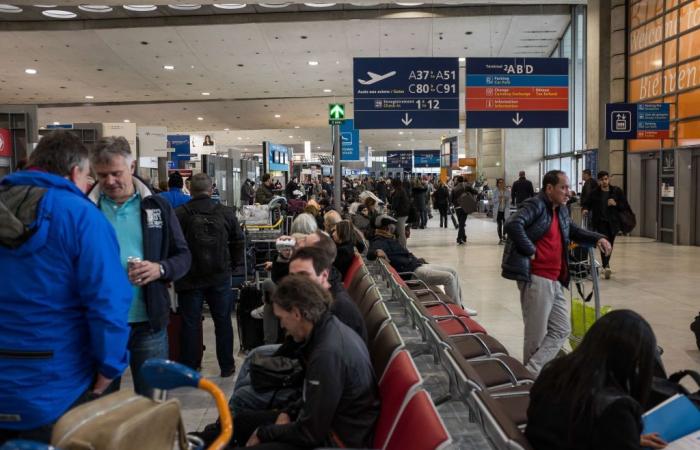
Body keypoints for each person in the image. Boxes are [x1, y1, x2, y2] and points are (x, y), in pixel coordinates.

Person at [0, 130, 133, 444]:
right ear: (75, 172)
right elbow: (107, 301)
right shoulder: (81, 216)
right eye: (89, 176)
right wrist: (109, 367)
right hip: (56, 381)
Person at [89, 136, 192, 395]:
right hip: (100, 324)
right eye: (102, 175)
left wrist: (160, 269)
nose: (110, 181)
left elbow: (183, 255)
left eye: (116, 173)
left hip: (149, 321)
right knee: (100, 408)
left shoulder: (156, 205)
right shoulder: (86, 208)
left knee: (152, 405)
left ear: (131, 167)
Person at [233, 274, 379, 449]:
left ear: (296, 314)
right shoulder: (326, 330)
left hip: (337, 440)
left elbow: (310, 433)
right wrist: (288, 412)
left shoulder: (326, 354)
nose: (282, 326)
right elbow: (311, 398)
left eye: (281, 318)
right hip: (328, 426)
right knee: (242, 422)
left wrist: (264, 433)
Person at [502, 170, 611, 375]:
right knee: (536, 336)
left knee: (562, 329)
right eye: (563, 187)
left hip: (556, 279)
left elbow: (574, 231)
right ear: (549, 188)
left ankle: (531, 371)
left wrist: (598, 238)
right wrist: (530, 249)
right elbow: (512, 224)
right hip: (537, 278)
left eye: (568, 187)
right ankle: (530, 382)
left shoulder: (561, 210)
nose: (568, 192)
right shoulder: (536, 205)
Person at [526, 310, 668, 450]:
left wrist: (625, 438)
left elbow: (572, 432)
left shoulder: (553, 372)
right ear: (630, 360)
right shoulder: (615, 407)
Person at [175, 173, 244, 378]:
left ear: (190, 189)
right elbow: (238, 241)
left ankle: (190, 366)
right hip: (219, 275)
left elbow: (173, 245)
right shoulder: (226, 212)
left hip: (189, 277)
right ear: (211, 188)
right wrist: (232, 265)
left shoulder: (180, 213)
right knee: (223, 321)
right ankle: (227, 365)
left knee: (190, 322)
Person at [369, 214, 477, 316]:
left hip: (416, 265)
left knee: (452, 271)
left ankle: (461, 307)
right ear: (387, 228)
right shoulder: (380, 241)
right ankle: (458, 311)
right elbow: (371, 253)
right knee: (448, 278)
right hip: (412, 273)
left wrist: (417, 260)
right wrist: (376, 252)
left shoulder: (388, 238)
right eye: (392, 226)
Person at [582, 171, 629, 279]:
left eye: (606, 179)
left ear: (609, 179)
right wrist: (585, 209)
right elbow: (587, 203)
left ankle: (606, 264)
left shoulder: (616, 191)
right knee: (604, 243)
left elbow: (624, 205)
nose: (604, 181)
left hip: (613, 222)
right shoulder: (594, 193)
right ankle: (606, 265)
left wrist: (616, 204)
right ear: (598, 181)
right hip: (600, 222)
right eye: (602, 179)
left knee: (610, 244)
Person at [451, 176, 478, 245]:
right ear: (463, 180)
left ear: (457, 181)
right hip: (465, 206)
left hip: (457, 208)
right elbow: (475, 192)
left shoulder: (454, 189)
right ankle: (459, 238)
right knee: (461, 224)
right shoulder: (466, 186)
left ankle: (464, 237)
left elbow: (451, 199)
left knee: (461, 223)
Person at [389, 177, 410, 248]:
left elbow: (395, 204)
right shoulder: (401, 190)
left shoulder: (399, 191)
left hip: (401, 214)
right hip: (404, 213)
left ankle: (403, 248)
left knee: (401, 233)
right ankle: (401, 246)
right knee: (400, 232)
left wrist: (390, 207)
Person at [492, 178, 511, 244]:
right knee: (499, 225)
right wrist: (498, 199)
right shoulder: (495, 191)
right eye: (499, 182)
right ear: (497, 183)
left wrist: (506, 199)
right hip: (498, 211)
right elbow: (493, 201)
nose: (501, 184)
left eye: (502, 182)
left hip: (505, 210)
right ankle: (500, 239)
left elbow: (509, 200)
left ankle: (504, 236)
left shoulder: (507, 191)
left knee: (505, 225)